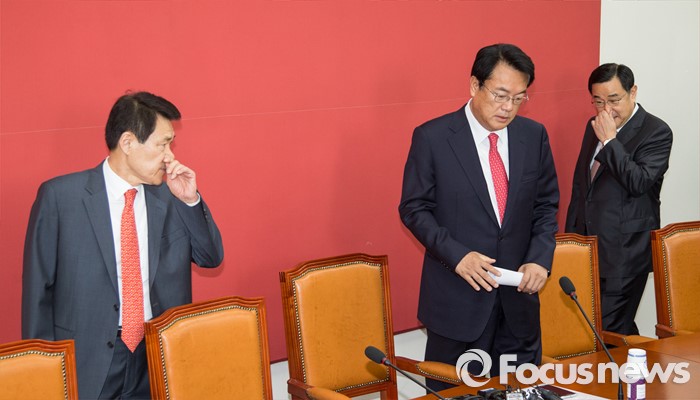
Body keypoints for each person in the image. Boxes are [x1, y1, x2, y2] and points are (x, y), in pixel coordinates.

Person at [22, 91, 225, 399]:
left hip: (156, 355)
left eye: (171, 144)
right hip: (86, 358)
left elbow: (210, 257)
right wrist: (42, 373)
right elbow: (38, 291)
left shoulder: (172, 197)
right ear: (128, 143)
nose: (169, 156)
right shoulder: (61, 198)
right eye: (162, 144)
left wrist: (190, 201)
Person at [399, 43, 559, 391]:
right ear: (475, 85)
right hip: (458, 303)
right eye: (500, 95)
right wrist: (458, 256)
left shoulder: (533, 136)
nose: (508, 107)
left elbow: (546, 205)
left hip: (518, 305)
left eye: (519, 98)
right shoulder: (433, 137)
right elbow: (414, 208)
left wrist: (539, 259)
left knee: (520, 394)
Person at [565, 63, 672, 335]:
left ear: (632, 92)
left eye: (614, 100)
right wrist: (570, 240)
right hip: (587, 248)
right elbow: (581, 187)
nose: (606, 110)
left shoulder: (656, 131)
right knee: (608, 330)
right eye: (598, 102)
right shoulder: (593, 126)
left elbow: (639, 181)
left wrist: (611, 141)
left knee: (606, 331)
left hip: (625, 254)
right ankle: (636, 363)